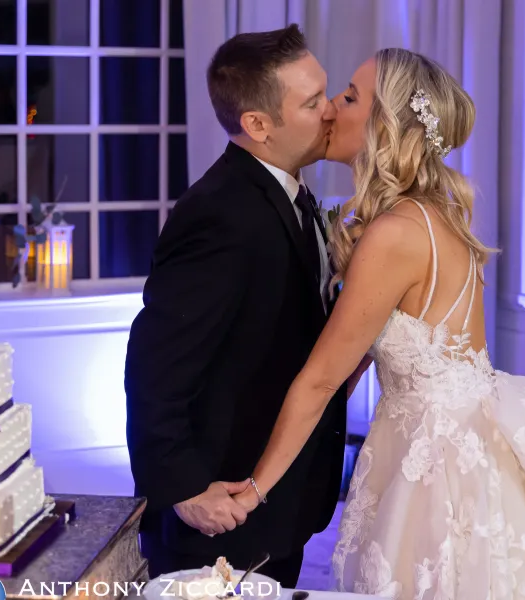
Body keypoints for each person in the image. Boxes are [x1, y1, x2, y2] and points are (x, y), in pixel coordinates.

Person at [222, 47, 525, 598]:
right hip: (446, 443)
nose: (333, 108)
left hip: (437, 472)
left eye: (351, 97)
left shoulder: (396, 233)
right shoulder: (432, 214)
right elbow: (357, 362)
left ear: (386, 124)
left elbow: (322, 379)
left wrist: (253, 490)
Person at [124, 26, 369, 587]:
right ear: (258, 125)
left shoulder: (293, 193)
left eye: (327, 92)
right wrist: (183, 488)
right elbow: (156, 361)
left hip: (277, 504)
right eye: (312, 103)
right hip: (221, 506)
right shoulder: (220, 213)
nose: (331, 110)